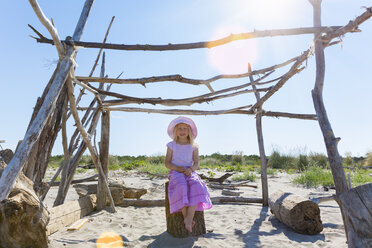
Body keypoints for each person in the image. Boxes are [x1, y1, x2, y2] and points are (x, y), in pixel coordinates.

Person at [165, 116, 212, 233]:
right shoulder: (171, 145)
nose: (182, 131)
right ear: (175, 131)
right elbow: (167, 163)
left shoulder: (194, 146)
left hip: (190, 171)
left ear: (189, 131)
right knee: (181, 186)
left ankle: (189, 218)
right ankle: (187, 219)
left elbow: (196, 163)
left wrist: (191, 169)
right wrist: (176, 168)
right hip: (176, 171)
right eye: (179, 128)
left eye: (185, 128)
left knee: (197, 185)